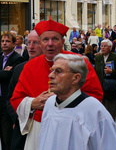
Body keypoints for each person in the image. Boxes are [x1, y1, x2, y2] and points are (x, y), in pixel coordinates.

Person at [10, 18, 103, 150]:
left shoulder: (79, 63)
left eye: (55, 39)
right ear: (40, 43)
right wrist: (32, 103)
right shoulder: (30, 66)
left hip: (72, 127)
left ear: (63, 42)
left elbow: (95, 95)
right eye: (45, 40)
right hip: (38, 127)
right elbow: (16, 99)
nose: (50, 44)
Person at [38, 54, 116, 150]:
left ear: (76, 78)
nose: (51, 75)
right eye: (52, 70)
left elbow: (109, 145)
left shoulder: (94, 110)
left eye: (58, 71)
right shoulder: (49, 103)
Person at [8, 31, 43, 150]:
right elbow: (10, 98)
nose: (31, 46)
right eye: (29, 43)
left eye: (35, 43)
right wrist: (16, 118)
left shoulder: (55, 68)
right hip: (23, 126)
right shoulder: (19, 69)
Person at [0, 33, 25, 150]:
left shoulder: (18, 59)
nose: (4, 43)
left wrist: (7, 73)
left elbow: (9, 76)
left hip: (6, 103)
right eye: (3, 41)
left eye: (8, 41)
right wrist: (4, 72)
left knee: (7, 138)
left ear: (14, 44)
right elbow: (4, 75)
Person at [94, 39, 116, 121]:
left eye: (105, 46)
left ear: (110, 47)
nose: (102, 48)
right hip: (100, 89)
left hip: (111, 88)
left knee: (111, 112)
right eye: (101, 46)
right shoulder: (97, 57)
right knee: (100, 113)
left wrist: (112, 71)